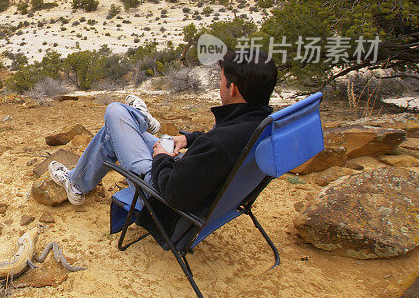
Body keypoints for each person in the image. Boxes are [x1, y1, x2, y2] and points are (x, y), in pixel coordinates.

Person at [48, 50, 278, 220]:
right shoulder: (258, 124)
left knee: (114, 112)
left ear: (233, 89)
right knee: (113, 134)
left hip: (159, 195)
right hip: (188, 177)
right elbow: (215, 144)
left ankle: (140, 118)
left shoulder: (221, 144)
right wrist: (189, 139)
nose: (219, 85)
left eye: (221, 80)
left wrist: (162, 157)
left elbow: (173, 193)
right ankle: (77, 185)